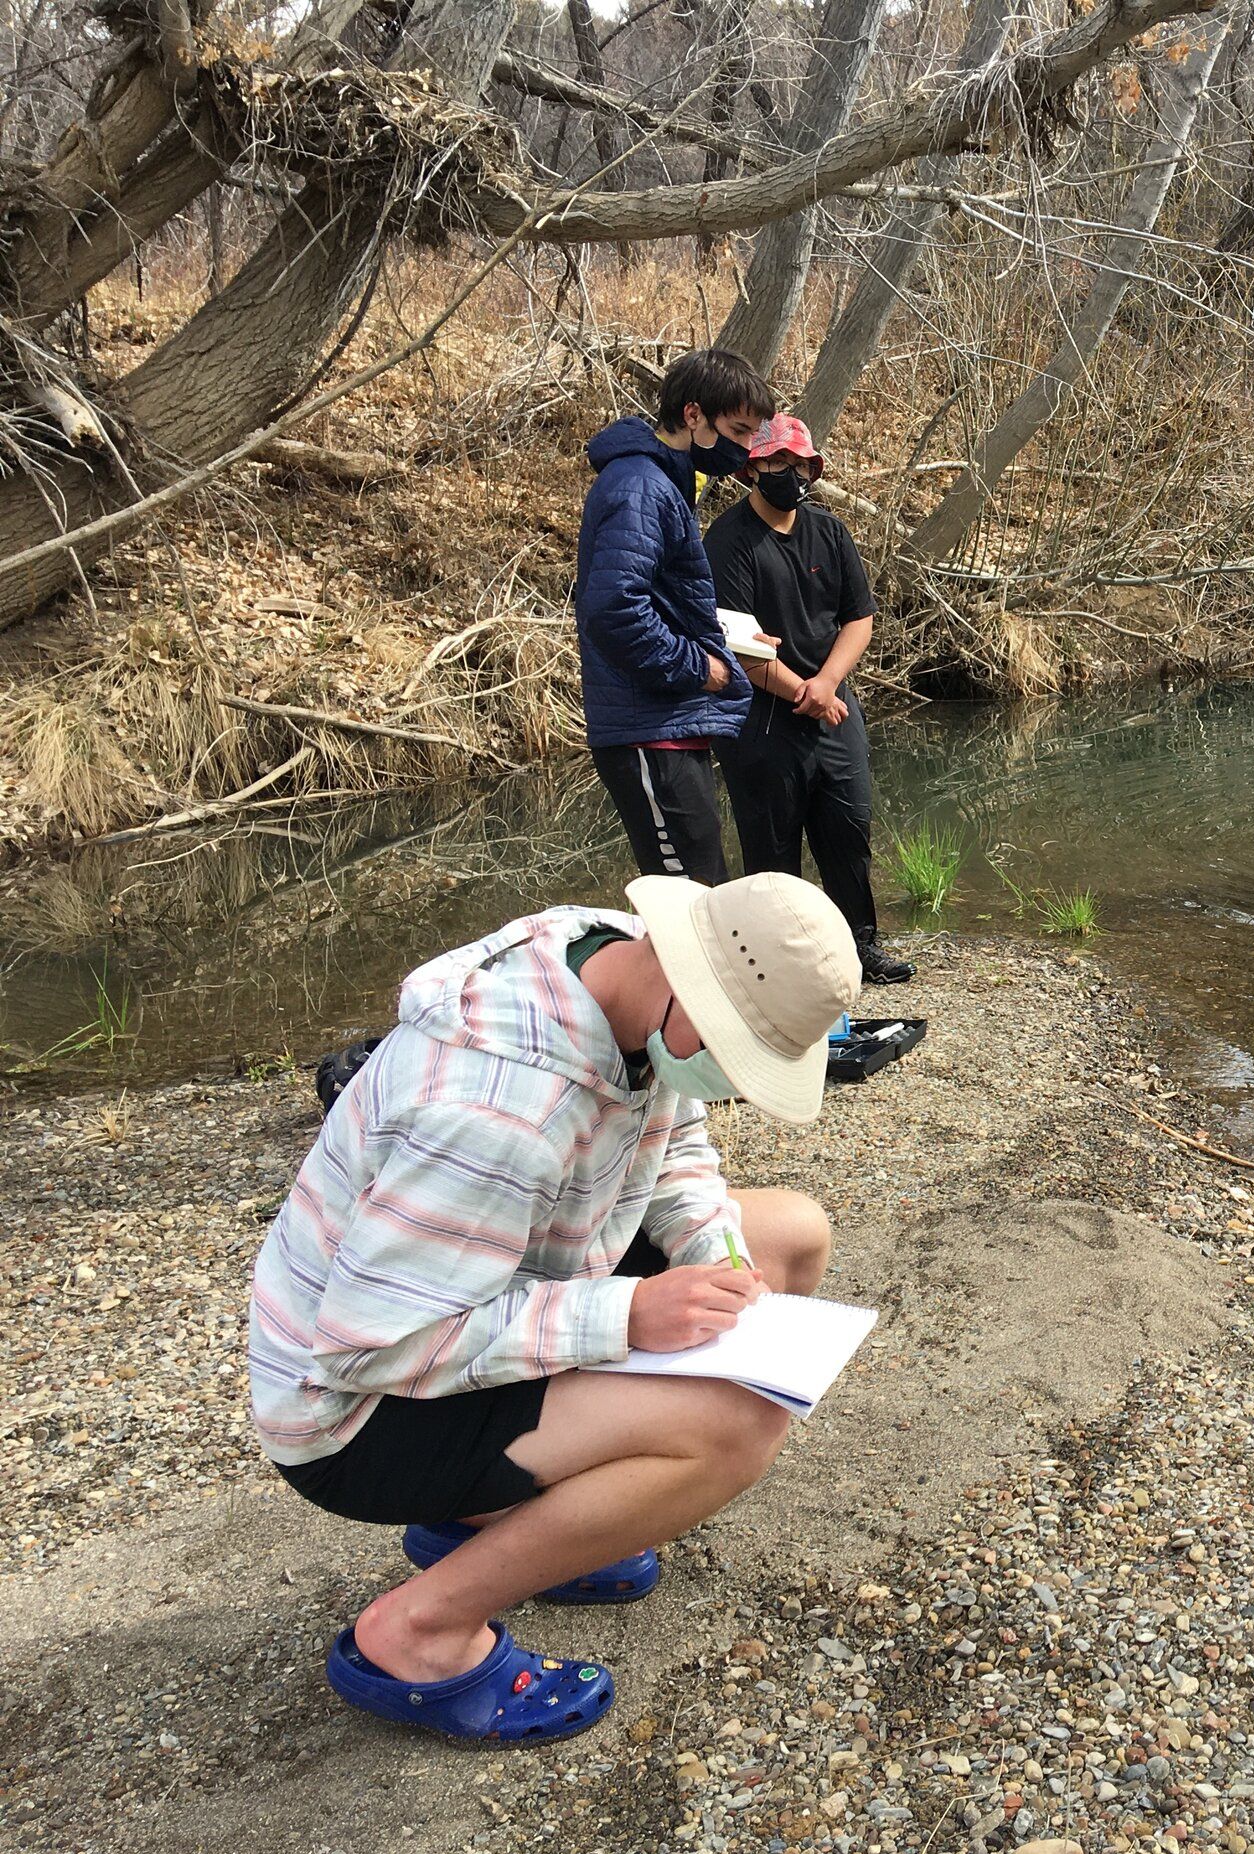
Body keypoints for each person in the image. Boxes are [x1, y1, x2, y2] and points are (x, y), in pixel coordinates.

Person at [248, 872, 860, 1745]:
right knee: (738, 1423)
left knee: (787, 1234)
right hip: (353, 1412)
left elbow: (671, 1136)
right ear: (688, 989)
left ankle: (497, 1517)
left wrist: (712, 1254)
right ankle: (419, 1631)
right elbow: (368, 1345)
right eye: (738, 1054)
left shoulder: (625, 968)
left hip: (499, 1282)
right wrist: (626, 1316)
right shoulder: (496, 1106)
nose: (729, 1082)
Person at [706, 413, 915, 986]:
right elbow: (737, 644)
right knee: (771, 849)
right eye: (777, 462)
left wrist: (825, 685)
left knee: (849, 831)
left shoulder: (830, 532)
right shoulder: (727, 542)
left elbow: (859, 618)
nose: (789, 474)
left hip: (834, 709)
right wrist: (802, 691)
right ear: (754, 467)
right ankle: (777, 964)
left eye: (800, 464)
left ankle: (859, 946)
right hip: (761, 721)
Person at [575, 348, 777, 886]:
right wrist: (701, 667)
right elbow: (614, 609)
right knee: (685, 904)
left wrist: (726, 635)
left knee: (702, 888)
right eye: (738, 429)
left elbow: (652, 596)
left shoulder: (664, 482)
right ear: (693, 416)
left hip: (670, 725)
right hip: (648, 729)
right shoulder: (640, 485)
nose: (745, 448)